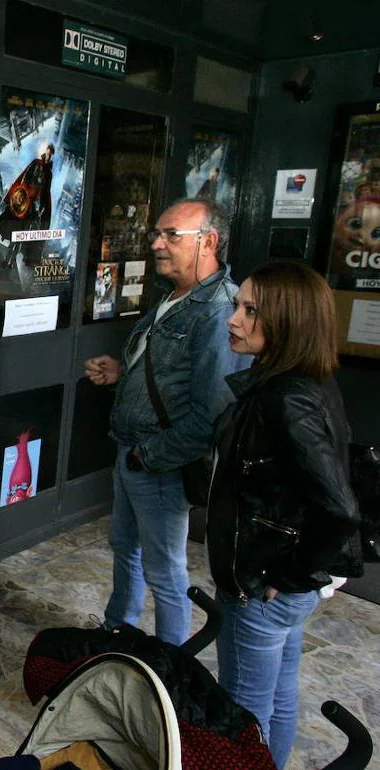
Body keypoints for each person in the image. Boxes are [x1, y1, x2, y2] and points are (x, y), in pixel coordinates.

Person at [208, 260, 363, 769]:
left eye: (250, 310)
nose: (234, 319)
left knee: (244, 714)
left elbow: (338, 509)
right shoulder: (301, 384)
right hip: (279, 587)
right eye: (237, 305)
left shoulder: (287, 398)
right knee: (275, 697)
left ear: (289, 321)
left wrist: (286, 573)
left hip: (263, 588)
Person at [83, 199, 249, 645]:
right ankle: (118, 628)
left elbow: (214, 409)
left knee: (164, 572)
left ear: (208, 242)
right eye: (157, 233)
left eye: (171, 235)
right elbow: (173, 375)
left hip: (159, 462)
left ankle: (168, 664)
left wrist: (150, 456)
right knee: (126, 549)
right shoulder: (175, 296)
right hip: (133, 450)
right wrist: (122, 371)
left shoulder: (218, 310)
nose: (157, 243)